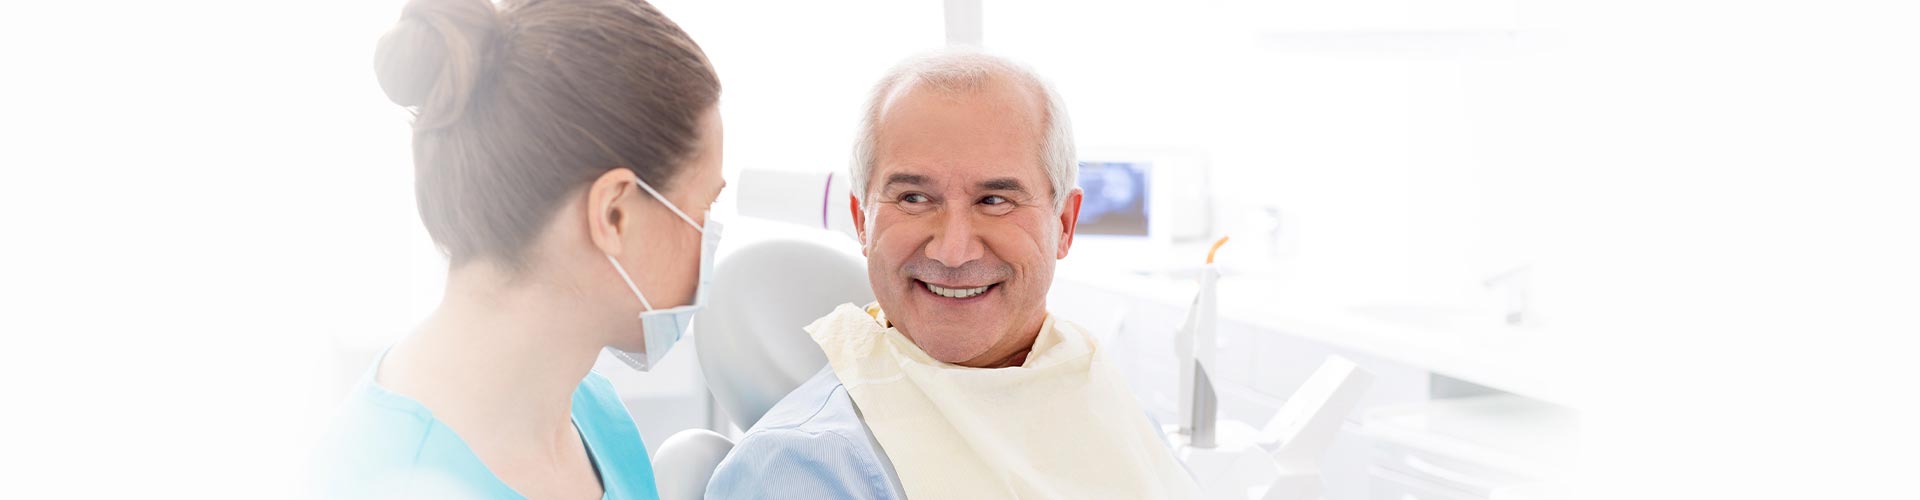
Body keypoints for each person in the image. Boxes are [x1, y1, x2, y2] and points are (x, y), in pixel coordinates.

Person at [705, 49, 1200, 500]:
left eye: (995, 200)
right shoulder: (811, 468)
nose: (953, 250)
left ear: (1065, 225)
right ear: (862, 221)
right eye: (914, 199)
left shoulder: (1094, 390)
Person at [312, 0, 723, 498]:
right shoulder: (380, 478)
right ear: (614, 213)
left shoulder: (595, 414)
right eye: (702, 209)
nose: (710, 241)